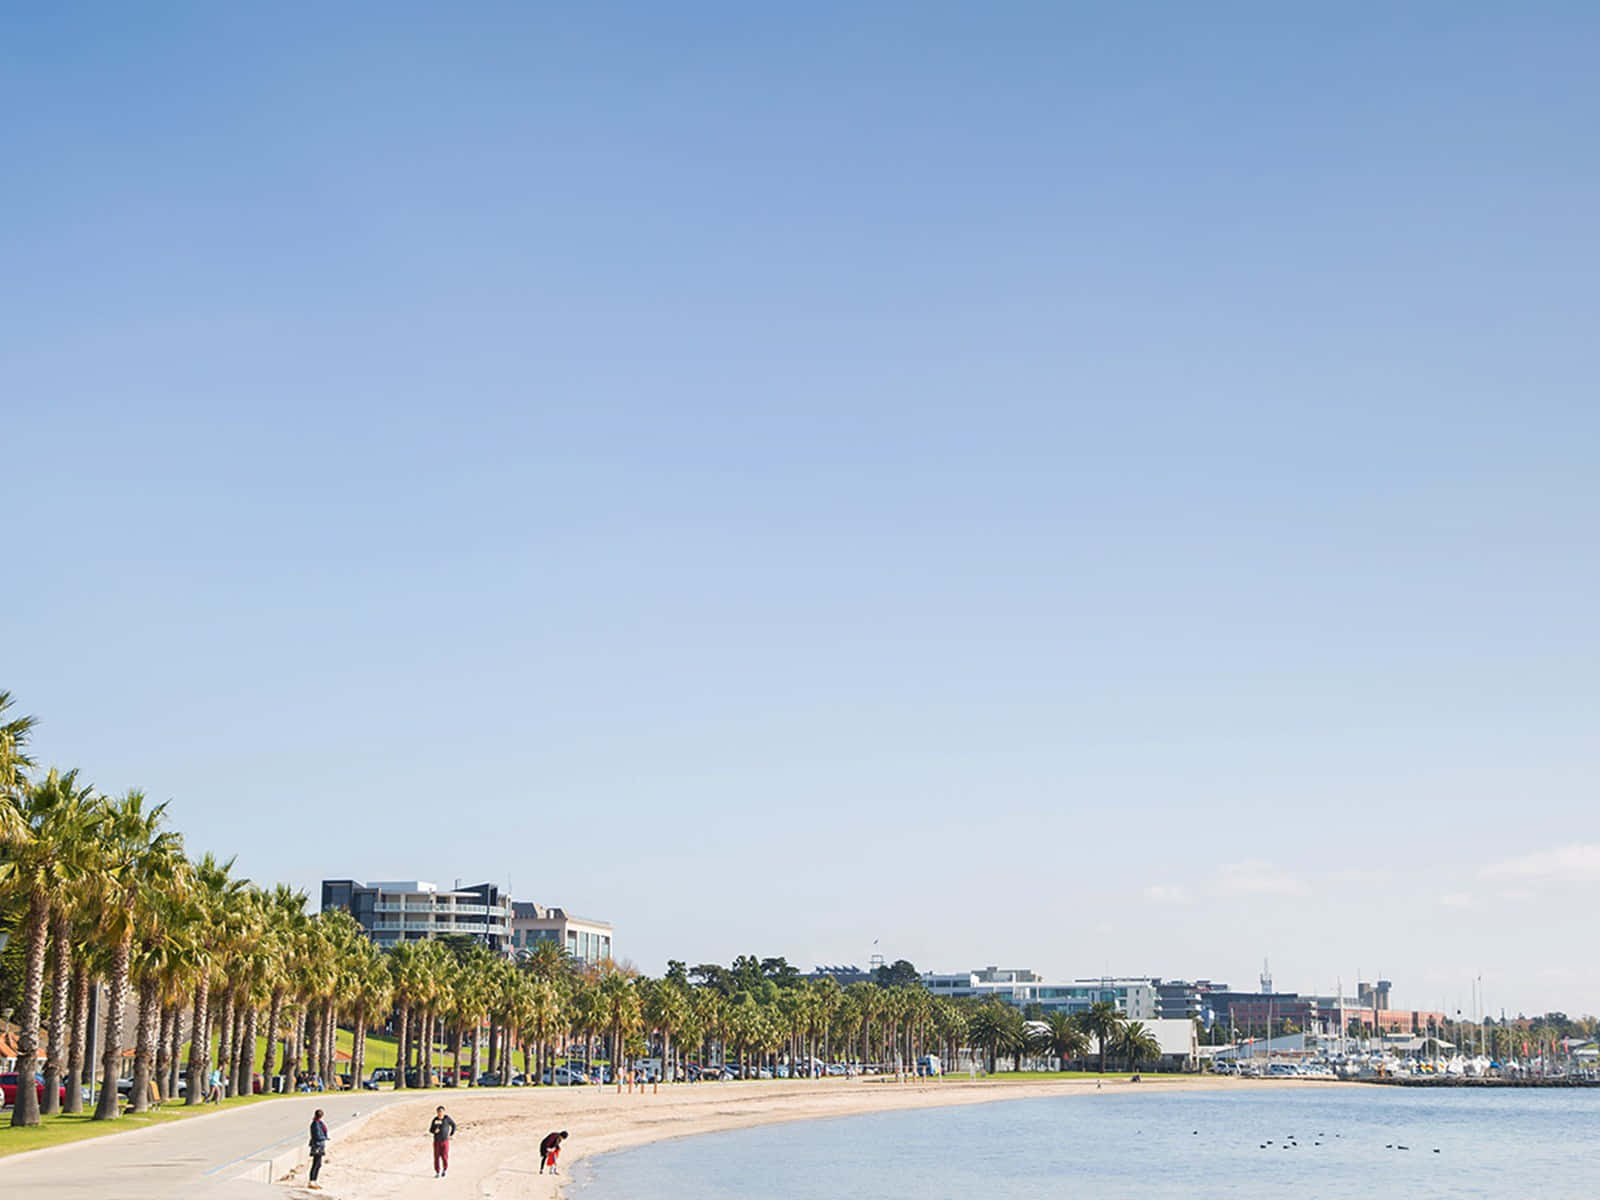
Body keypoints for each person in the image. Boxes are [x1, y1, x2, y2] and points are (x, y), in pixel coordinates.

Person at [430, 1105, 457, 1178]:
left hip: (445, 1141)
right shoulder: (435, 1120)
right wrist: (434, 1131)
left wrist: (451, 1134)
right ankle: (437, 1172)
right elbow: (431, 1130)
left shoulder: (447, 1119)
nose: (440, 1113)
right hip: (437, 1141)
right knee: (436, 1157)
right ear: (437, 1112)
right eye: (438, 1112)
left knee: (444, 1156)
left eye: (441, 1112)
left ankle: (444, 1170)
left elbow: (454, 1125)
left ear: (444, 1112)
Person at [308, 1108, 329, 1190]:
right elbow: (316, 1135)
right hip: (317, 1146)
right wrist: (324, 1138)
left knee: (319, 1164)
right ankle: (312, 1181)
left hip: (320, 1145)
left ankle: (314, 1180)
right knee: (316, 1163)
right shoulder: (315, 1124)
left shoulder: (319, 1123)